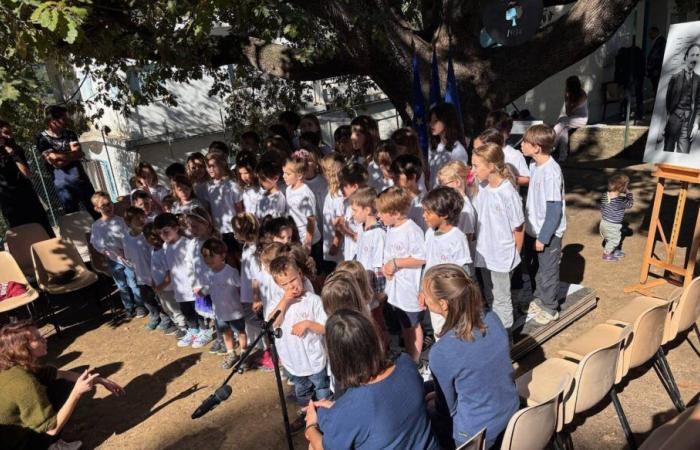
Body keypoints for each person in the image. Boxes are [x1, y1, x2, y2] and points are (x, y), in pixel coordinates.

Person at [305, 309, 439, 450]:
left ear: (338, 356)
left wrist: (311, 426)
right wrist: (336, 408)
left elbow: (323, 447)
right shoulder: (405, 362)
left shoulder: (351, 407)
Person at [421, 265, 518, 449]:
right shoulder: (492, 319)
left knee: (426, 410)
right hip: (510, 410)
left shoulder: (442, 352)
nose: (423, 298)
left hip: (476, 435)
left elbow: (446, 410)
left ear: (443, 304)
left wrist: (434, 400)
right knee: (427, 389)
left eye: (425, 293)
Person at [0, 321, 125, 450]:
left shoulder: (14, 366)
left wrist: (99, 380)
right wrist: (76, 393)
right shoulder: (23, 382)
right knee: (66, 391)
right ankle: (50, 446)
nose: (44, 339)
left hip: (14, 435)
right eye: (38, 338)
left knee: (61, 386)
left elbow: (58, 374)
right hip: (15, 444)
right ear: (22, 349)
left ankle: (51, 444)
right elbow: (52, 429)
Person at [267, 255, 329, 432]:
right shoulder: (277, 302)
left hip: (315, 360)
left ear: (300, 274)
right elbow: (272, 323)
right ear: (278, 286)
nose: (291, 286)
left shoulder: (313, 300)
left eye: (293, 280)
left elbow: (325, 327)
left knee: (322, 389)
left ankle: (324, 420)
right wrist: (285, 300)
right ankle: (307, 415)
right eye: (284, 284)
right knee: (302, 392)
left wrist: (308, 324)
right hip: (294, 362)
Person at [472, 144, 524, 331]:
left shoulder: (507, 192)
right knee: (490, 295)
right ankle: (494, 332)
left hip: (501, 256)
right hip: (484, 253)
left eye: (476, 166)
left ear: (492, 166)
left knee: (502, 299)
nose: (473, 170)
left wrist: (514, 254)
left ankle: (505, 338)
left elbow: (518, 227)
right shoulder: (481, 187)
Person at [521, 125, 567, 326]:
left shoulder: (551, 172)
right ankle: (539, 299)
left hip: (547, 234)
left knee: (548, 270)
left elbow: (554, 209)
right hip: (533, 229)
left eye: (525, 142)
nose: (521, 145)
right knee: (535, 268)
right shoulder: (534, 166)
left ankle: (550, 307)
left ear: (537, 147)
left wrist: (544, 236)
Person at [377, 187, 426, 363]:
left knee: (412, 325)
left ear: (396, 213)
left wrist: (396, 263)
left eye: (383, 212)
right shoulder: (391, 229)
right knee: (402, 324)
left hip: (408, 288)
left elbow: (421, 257)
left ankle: (415, 359)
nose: (379, 216)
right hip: (395, 289)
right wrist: (386, 268)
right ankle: (405, 353)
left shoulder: (412, 230)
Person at [90, 192, 147, 319]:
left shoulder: (120, 220)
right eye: (103, 205)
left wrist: (126, 251)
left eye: (109, 203)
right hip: (113, 260)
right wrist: (105, 251)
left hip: (127, 257)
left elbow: (128, 236)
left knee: (133, 282)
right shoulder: (96, 226)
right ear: (97, 208)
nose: (108, 207)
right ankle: (128, 307)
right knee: (121, 285)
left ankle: (140, 305)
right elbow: (96, 243)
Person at [36, 106, 98, 218]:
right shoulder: (42, 139)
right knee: (73, 218)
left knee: (95, 210)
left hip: (82, 180)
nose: (66, 121)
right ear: (52, 121)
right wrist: (71, 155)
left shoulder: (70, 133)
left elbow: (79, 153)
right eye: (63, 119)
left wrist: (59, 156)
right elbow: (54, 162)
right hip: (64, 185)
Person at [0, 120, 55, 236]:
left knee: (43, 228)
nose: (10, 136)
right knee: (21, 234)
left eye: (11, 132)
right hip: (9, 201)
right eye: (6, 133)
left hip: (27, 194)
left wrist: (14, 156)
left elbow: (27, 174)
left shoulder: (17, 149)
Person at [200, 238, 246, 369]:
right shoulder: (208, 274)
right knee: (226, 333)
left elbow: (240, 286)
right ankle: (231, 353)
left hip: (235, 311)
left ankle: (243, 352)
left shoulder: (231, 271)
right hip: (219, 313)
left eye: (211, 256)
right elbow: (207, 288)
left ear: (222, 255)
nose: (208, 259)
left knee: (240, 332)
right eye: (205, 256)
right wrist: (202, 292)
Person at [123, 207, 170, 331]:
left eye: (142, 216)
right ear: (129, 223)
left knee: (160, 297)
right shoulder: (127, 238)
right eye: (136, 219)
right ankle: (155, 316)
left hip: (155, 274)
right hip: (141, 275)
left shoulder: (148, 234)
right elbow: (128, 256)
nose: (141, 220)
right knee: (147, 298)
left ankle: (166, 317)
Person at [350, 187, 386, 324]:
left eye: (355, 210)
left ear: (367, 210)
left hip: (373, 291)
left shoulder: (378, 234)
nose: (352, 214)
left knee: (376, 323)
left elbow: (379, 265)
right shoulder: (361, 228)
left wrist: (378, 293)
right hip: (362, 286)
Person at [283, 155, 322, 262]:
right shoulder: (288, 189)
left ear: (299, 175)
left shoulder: (305, 194)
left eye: (288, 174)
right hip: (296, 239)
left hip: (310, 242)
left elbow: (311, 219)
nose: (284, 176)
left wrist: (308, 242)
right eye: (283, 173)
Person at [664, 43, 700, 154]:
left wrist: (696, 124)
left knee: (684, 154)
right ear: (686, 57)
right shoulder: (675, 78)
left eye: (698, 55)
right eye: (692, 55)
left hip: (688, 123)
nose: (694, 58)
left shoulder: (699, 80)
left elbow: (699, 105)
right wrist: (668, 120)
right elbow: (668, 101)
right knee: (667, 152)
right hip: (674, 120)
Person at [428, 103, 468, 189]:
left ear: (446, 121)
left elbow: (460, 181)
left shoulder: (457, 150)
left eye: (435, 121)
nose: (431, 125)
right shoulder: (433, 147)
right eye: (430, 121)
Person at [483, 112, 530, 186]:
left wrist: (507, 178)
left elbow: (527, 179)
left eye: (499, 131)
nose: (494, 134)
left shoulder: (514, 154)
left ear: (508, 133)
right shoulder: (483, 150)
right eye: (491, 131)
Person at [319, 153, 346, 274]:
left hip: (339, 245)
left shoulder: (339, 196)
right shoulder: (331, 191)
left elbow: (341, 221)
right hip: (330, 239)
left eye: (324, 170)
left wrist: (335, 244)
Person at [338, 162, 369, 261]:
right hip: (349, 256)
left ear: (355, 186)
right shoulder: (347, 204)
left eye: (344, 185)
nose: (340, 188)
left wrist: (344, 229)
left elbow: (362, 238)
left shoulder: (364, 208)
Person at [600, 173, 634, 262]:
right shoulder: (620, 200)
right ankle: (607, 254)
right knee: (615, 239)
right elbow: (630, 204)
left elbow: (602, 207)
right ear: (623, 188)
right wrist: (629, 194)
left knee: (610, 237)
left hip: (604, 222)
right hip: (613, 225)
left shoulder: (605, 195)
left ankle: (614, 250)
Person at [553, 76, 588, 161]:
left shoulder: (582, 94)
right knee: (563, 130)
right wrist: (567, 99)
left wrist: (569, 101)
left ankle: (551, 143)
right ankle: (562, 156)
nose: (566, 87)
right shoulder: (568, 94)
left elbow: (571, 110)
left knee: (561, 121)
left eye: (567, 85)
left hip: (581, 119)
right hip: (571, 118)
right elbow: (568, 113)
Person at [391, 154, 426, 231]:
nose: (393, 180)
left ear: (412, 177)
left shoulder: (424, 204)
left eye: (397, 176)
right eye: (393, 176)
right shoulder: (393, 198)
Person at [647, 26, 666, 94]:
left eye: (651, 33)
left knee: (656, 88)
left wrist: (656, 69)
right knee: (655, 87)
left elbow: (660, 56)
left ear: (656, 32)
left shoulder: (661, 41)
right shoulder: (657, 41)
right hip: (654, 70)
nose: (649, 36)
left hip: (656, 70)